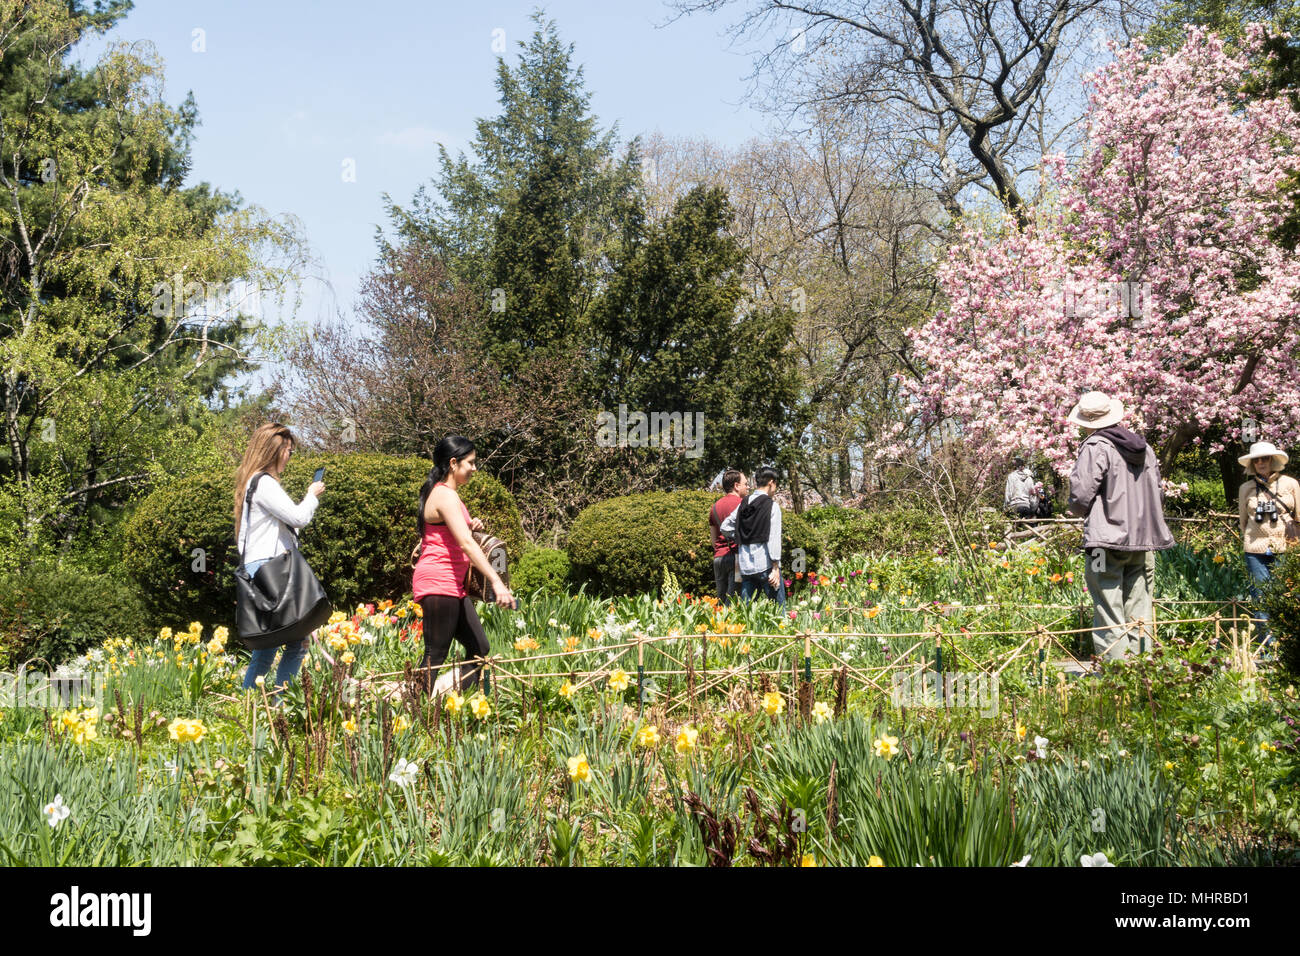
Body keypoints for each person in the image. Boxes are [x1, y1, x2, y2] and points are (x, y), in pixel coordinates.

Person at [1066, 391, 1174, 661]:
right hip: (1141, 541)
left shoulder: (1096, 447)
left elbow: (1081, 494)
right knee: (1139, 605)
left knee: (1107, 602)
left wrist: (1079, 511)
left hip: (1103, 543)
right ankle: (1142, 667)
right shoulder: (1145, 449)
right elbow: (1158, 492)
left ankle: (1117, 672)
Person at [412, 436, 514, 694]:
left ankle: (449, 700)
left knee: (479, 648)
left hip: (452, 584)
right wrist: (496, 580)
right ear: (454, 463)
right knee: (435, 654)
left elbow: (452, 532)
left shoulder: (447, 495)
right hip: (438, 580)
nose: (475, 468)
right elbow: (467, 544)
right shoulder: (444, 495)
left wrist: (470, 524)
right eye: (471, 462)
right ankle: (417, 713)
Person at [233, 422, 325, 692]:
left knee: (270, 641)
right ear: (274, 451)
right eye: (288, 451)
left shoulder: (253, 483)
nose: (289, 456)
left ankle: (252, 706)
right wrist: (311, 494)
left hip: (260, 566)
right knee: (298, 640)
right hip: (272, 568)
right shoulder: (264, 483)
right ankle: (280, 704)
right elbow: (299, 517)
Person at [1237, 441, 1299, 643]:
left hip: (1285, 548)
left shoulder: (1290, 484)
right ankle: (1268, 647)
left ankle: (1288, 645)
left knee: (1287, 596)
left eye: (1265, 458)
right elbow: (1243, 521)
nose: (1261, 463)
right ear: (1252, 464)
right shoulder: (1246, 488)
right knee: (1261, 598)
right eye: (1257, 460)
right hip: (1255, 550)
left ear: (1273, 460)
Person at [720, 466, 786, 606]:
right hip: (766, 565)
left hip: (746, 566)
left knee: (747, 613)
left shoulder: (744, 503)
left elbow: (725, 527)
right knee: (778, 609)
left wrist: (740, 534)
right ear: (771, 483)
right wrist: (775, 567)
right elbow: (773, 538)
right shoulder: (772, 506)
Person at [709, 468, 749, 605]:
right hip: (737, 559)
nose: (748, 487)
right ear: (736, 486)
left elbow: (713, 540)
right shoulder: (743, 505)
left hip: (719, 559)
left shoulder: (714, 507)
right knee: (734, 600)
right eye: (745, 484)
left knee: (720, 602)